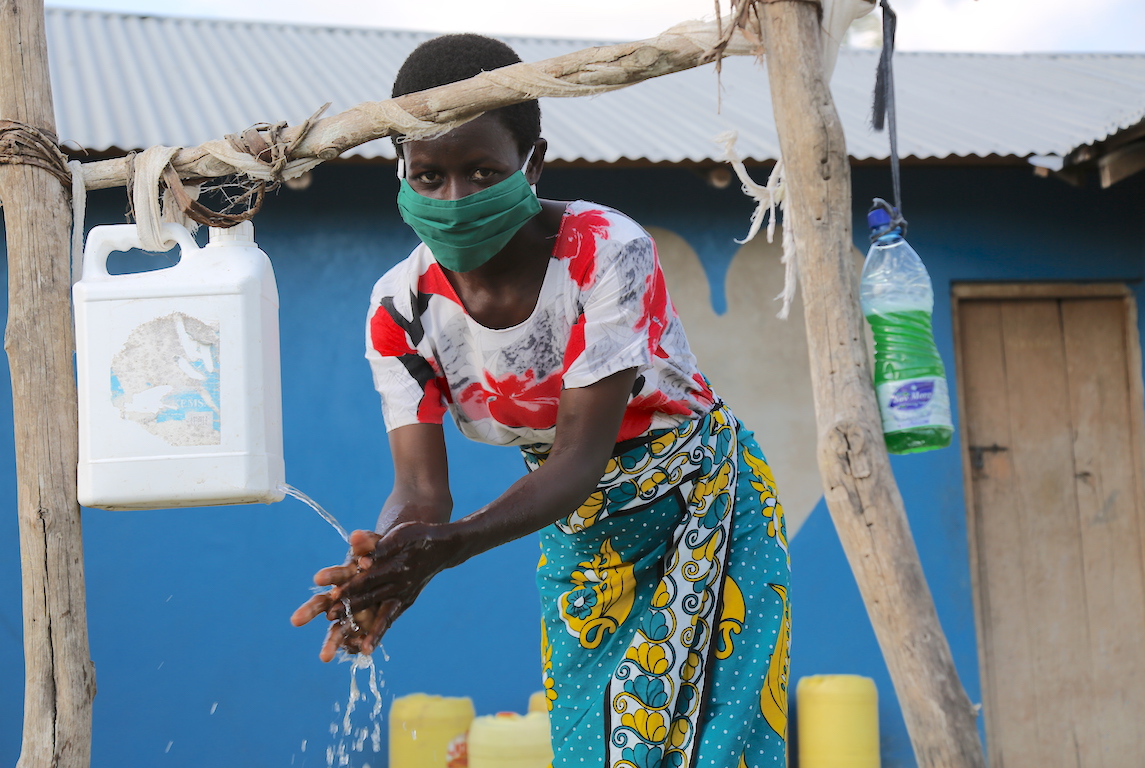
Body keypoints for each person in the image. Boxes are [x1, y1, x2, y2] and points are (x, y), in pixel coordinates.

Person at [290, 33, 791, 768]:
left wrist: (450, 547)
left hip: (703, 503)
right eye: (427, 175)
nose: (453, 200)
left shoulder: (602, 252)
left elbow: (580, 455)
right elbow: (422, 491)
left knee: (723, 749)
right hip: (578, 531)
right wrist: (389, 560)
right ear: (401, 168)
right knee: (593, 749)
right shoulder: (401, 310)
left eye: (481, 171)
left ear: (534, 162)